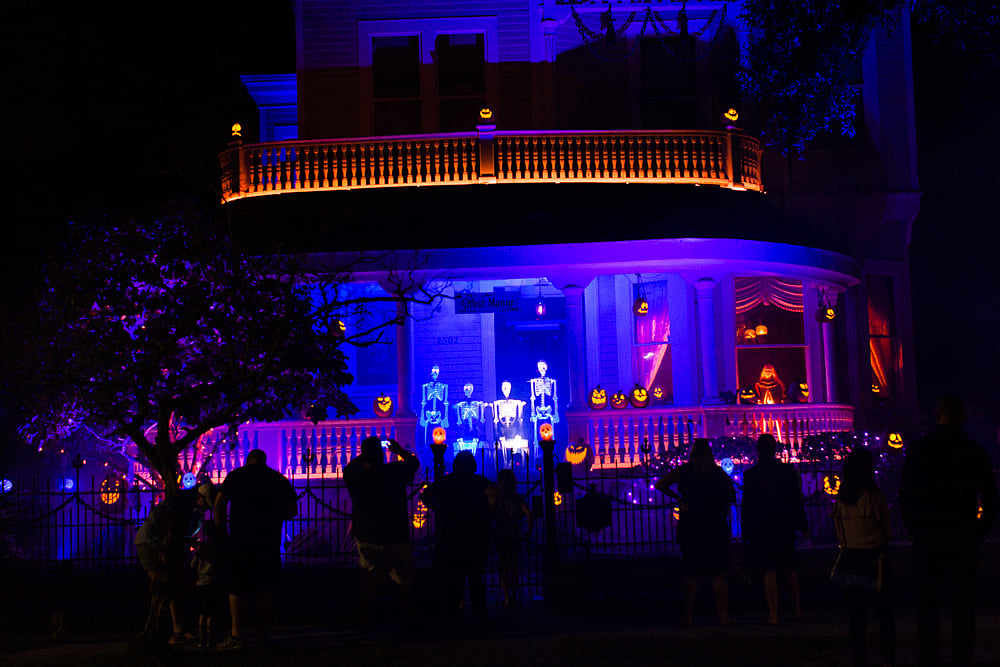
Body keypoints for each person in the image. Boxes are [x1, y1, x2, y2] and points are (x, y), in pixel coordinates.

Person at [899, 394, 999, 666]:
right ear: (963, 417)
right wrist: (978, 532)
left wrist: (915, 529)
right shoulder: (975, 452)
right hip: (963, 537)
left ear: (937, 415)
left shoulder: (920, 449)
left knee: (927, 607)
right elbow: (991, 500)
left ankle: (930, 658)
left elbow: (905, 495)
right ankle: (961, 658)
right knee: (964, 607)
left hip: (928, 537)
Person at [214, 449, 298, 650]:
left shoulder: (236, 476)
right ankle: (263, 634)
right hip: (268, 541)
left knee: (237, 587)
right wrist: (273, 515)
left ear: (247, 461)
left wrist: (222, 533)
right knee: (265, 587)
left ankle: (237, 635)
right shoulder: (277, 478)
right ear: (264, 461)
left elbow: (219, 505)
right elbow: (293, 510)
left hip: (239, 540)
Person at [655, 438, 736, 626]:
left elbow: (661, 484)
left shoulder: (684, 471)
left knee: (691, 573)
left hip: (691, 525)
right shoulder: (716, 473)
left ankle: (689, 616)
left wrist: (679, 498)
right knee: (718, 572)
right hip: (714, 525)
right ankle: (723, 615)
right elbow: (731, 495)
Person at [343, 437, 420, 626]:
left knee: (368, 579)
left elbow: (348, 470)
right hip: (395, 534)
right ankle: (409, 617)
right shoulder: (393, 471)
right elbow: (413, 464)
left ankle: (364, 618)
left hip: (367, 534)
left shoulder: (357, 476)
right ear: (381, 453)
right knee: (403, 580)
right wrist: (399, 450)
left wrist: (365, 456)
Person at [832, 448, 895, 667]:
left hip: (851, 558)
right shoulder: (874, 496)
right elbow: (887, 529)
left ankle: (860, 658)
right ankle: (888, 657)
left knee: (856, 616)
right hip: (874, 557)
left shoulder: (842, 499)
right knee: (885, 614)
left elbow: (839, 531)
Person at [420, 451, 495, 621]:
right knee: (476, 577)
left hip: (452, 533)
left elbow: (425, 495)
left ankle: (453, 614)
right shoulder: (478, 481)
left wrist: (437, 509)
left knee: (455, 577)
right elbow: (495, 493)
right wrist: (489, 510)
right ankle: (480, 613)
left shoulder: (446, 482)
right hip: (475, 534)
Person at [742, 433, 806, 625]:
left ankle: (774, 613)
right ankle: (797, 610)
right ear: (775, 449)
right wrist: (802, 525)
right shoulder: (787, 471)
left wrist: (747, 531)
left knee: (769, 570)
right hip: (783, 524)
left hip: (763, 526)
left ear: (758, 450)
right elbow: (796, 500)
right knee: (790, 570)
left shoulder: (751, 475)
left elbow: (748, 505)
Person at [134, 484, 208, 645]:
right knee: (163, 587)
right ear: (200, 498)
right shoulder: (181, 507)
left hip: (156, 543)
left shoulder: (183, 505)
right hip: (151, 543)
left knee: (171, 586)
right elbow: (175, 532)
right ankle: (164, 632)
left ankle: (176, 631)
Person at [491, 468, 533, 607]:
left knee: (503, 567)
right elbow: (528, 513)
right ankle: (513, 596)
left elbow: (489, 513)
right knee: (514, 567)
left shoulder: (497, 499)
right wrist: (529, 530)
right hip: (515, 534)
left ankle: (507, 597)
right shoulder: (517, 499)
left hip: (501, 534)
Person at [191, 485, 223, 649]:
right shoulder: (217, 551)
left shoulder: (202, 550)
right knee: (211, 613)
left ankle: (201, 640)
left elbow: (193, 565)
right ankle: (210, 638)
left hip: (200, 585)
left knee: (202, 614)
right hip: (213, 584)